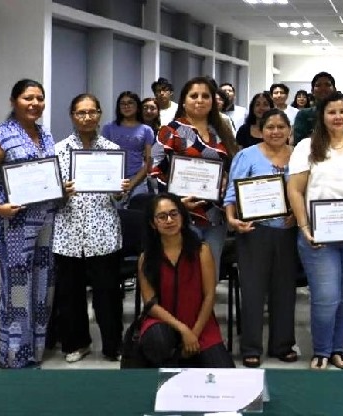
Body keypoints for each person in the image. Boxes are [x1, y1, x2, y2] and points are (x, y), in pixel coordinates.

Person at [0, 79, 72, 369]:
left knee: (42, 286)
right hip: (15, 224)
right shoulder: (1, 135)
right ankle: (14, 354)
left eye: (39, 98)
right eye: (28, 98)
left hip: (45, 220)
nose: (35, 103)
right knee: (17, 289)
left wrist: (61, 188)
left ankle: (34, 349)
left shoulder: (45, 134)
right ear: (13, 101)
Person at [286, 92, 343, 370]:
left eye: (342, 111)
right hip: (318, 235)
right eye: (331, 112)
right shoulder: (306, 147)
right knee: (326, 297)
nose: (338, 117)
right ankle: (322, 350)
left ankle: (338, 349)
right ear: (322, 116)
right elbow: (295, 190)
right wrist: (303, 226)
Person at [53, 94, 128, 362]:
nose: (87, 117)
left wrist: (120, 191)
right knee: (70, 293)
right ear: (72, 116)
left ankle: (113, 345)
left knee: (107, 293)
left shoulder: (111, 150)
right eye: (80, 113)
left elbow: (118, 197)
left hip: (103, 231)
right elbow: (50, 196)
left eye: (92, 112)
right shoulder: (58, 150)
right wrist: (61, 192)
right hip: (68, 232)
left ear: (99, 114)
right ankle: (77, 343)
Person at [224, 108, 301, 367]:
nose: (276, 132)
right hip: (254, 231)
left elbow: (307, 191)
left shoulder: (299, 156)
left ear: (289, 130)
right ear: (260, 130)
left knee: (285, 290)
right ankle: (251, 347)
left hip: (288, 232)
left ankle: (283, 344)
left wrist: (298, 215)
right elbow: (231, 193)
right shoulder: (247, 155)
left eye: (281, 127)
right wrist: (232, 219)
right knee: (253, 291)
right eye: (270, 127)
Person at [150, 77, 236, 280]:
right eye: (194, 96)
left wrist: (226, 179)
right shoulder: (170, 131)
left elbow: (231, 167)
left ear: (213, 101)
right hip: (181, 216)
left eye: (205, 96)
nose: (200, 100)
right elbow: (154, 171)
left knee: (210, 275)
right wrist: (175, 203)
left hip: (215, 216)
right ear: (184, 101)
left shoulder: (220, 130)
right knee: (185, 277)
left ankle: (208, 303)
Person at [137, 193, 234, 368]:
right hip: (163, 324)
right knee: (158, 340)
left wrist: (193, 334)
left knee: (225, 375)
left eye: (174, 214)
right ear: (153, 223)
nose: (169, 220)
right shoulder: (147, 258)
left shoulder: (202, 251)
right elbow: (150, 304)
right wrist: (183, 330)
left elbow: (209, 296)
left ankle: (186, 357)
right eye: (162, 216)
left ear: (182, 216)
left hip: (200, 325)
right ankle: (173, 360)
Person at [102, 91, 155, 198]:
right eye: (123, 103)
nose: (126, 106)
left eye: (130, 103)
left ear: (137, 106)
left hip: (137, 179)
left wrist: (131, 185)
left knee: (137, 206)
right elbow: (103, 157)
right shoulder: (108, 128)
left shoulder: (146, 130)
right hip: (113, 179)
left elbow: (148, 162)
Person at [292, 72, 343, 145]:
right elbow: (299, 143)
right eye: (318, 85)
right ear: (312, 91)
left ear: (334, 89)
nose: (323, 89)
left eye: (327, 85)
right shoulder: (303, 115)